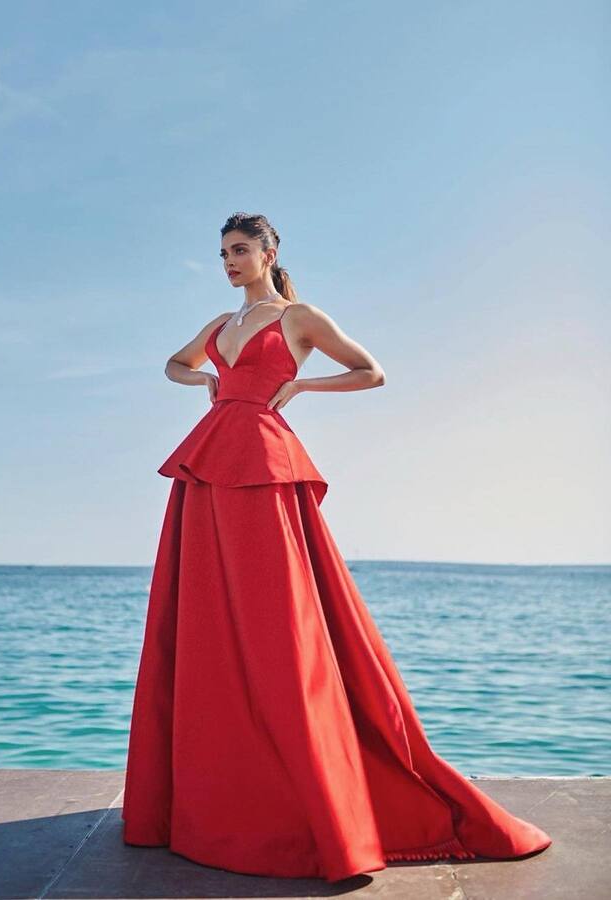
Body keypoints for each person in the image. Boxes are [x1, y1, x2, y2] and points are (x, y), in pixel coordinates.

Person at [121, 211, 552, 882]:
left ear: (269, 253)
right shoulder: (219, 327)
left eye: (240, 250)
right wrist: (205, 380)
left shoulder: (298, 317)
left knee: (277, 621)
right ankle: (223, 789)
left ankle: (316, 790)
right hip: (208, 465)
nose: (229, 261)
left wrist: (299, 385)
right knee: (205, 617)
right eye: (223, 252)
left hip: (264, 462)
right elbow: (172, 364)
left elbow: (371, 372)